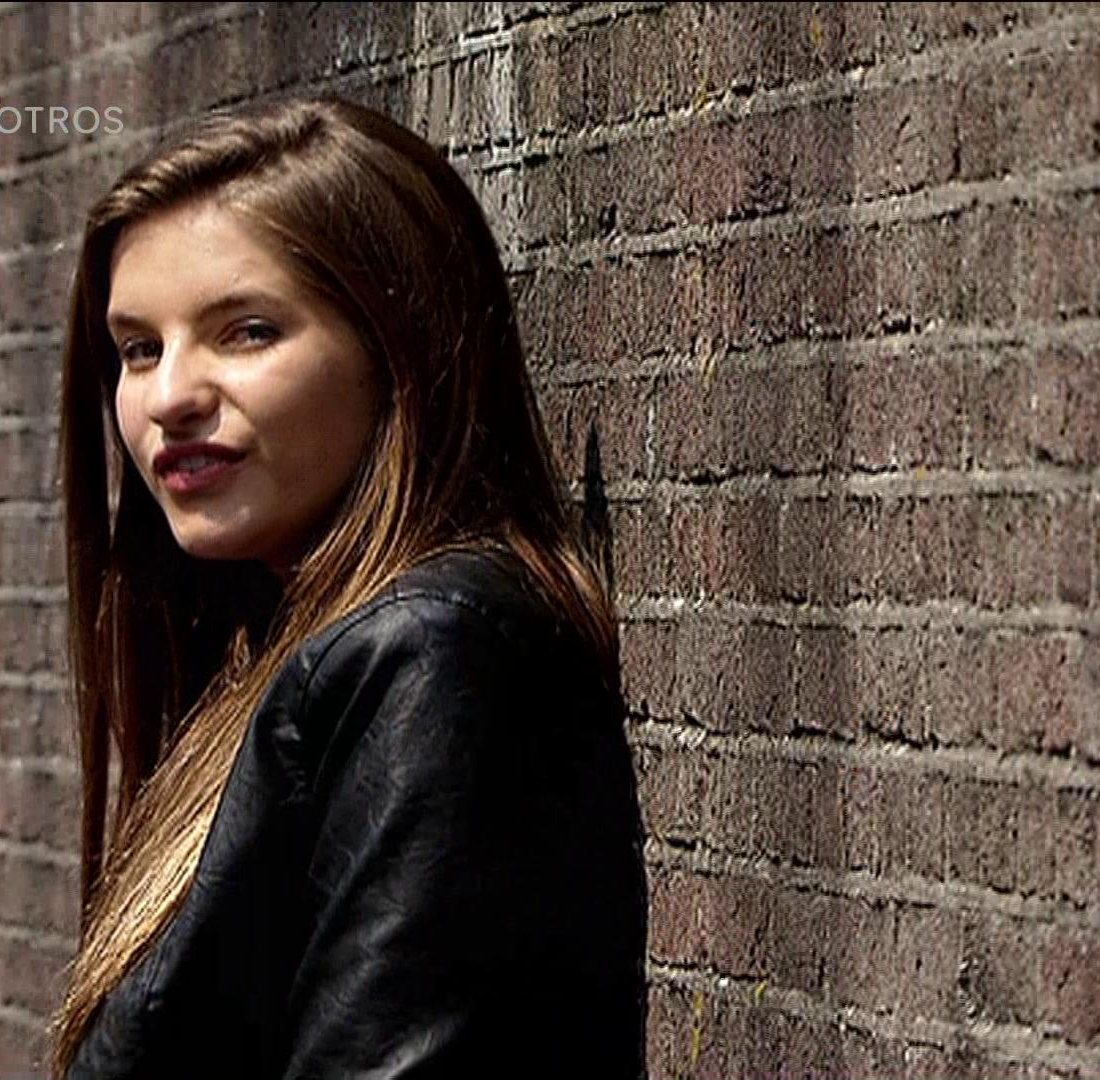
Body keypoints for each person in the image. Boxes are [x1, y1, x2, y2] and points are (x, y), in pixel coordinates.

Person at [44, 95, 647, 1078]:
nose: (170, 396)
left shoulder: (433, 657)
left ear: (397, 345)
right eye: (139, 348)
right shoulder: (303, 655)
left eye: (247, 331)